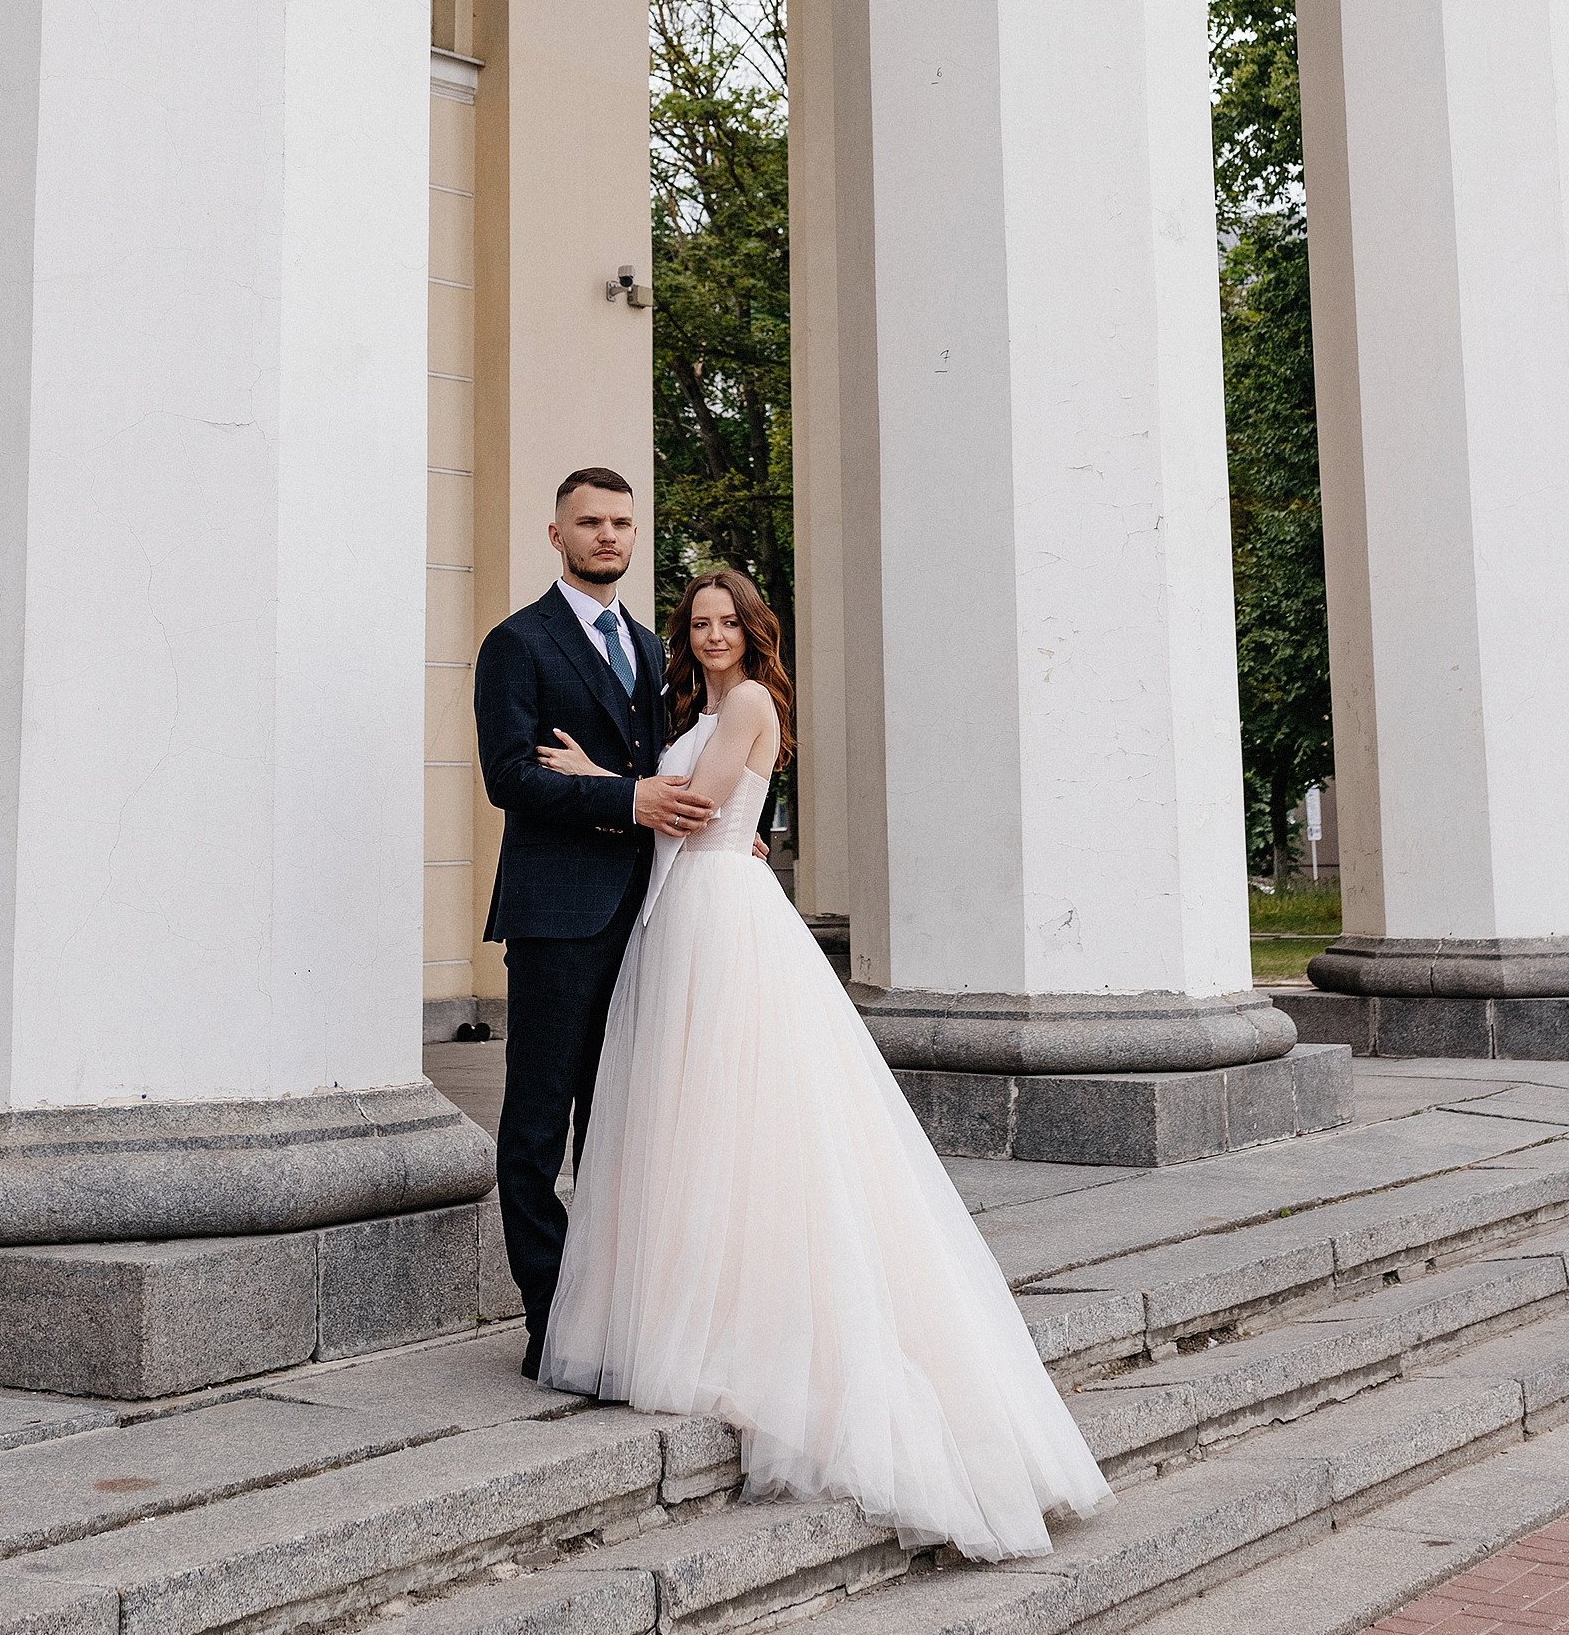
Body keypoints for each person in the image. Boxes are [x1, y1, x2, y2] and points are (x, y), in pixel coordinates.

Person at [535, 566, 1113, 1563]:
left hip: (719, 916)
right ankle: (693, 1302)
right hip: (688, 912)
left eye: (727, 621)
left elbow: (695, 807)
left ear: (752, 632)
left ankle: (741, 1324)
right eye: (698, 623)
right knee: (692, 1122)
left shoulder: (750, 699)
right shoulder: (701, 704)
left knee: (738, 1112)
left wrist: (589, 774)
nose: (712, 634)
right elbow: (706, 805)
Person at [471, 468, 712, 1377]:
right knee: (537, 1125)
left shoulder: (653, 649)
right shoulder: (517, 644)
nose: (608, 536)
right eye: (590, 523)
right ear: (555, 534)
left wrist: (713, 826)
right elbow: (510, 779)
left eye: (621, 522)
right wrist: (624, 796)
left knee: (614, 1122)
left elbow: (673, 771)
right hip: (557, 915)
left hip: (644, 913)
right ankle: (552, 1324)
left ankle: (609, 1310)